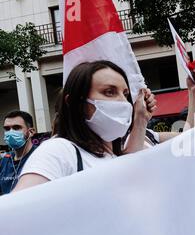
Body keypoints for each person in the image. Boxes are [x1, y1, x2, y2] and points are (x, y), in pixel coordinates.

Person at [13, 60, 156, 192]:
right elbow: (16, 212)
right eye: (109, 92)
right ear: (77, 103)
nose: (123, 101)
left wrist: (140, 119)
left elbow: (128, 167)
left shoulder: (110, 155)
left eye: (125, 94)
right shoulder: (59, 150)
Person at [0, 111, 36, 195]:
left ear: (31, 132)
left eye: (16, 128)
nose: (11, 132)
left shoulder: (39, 156)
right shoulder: (5, 160)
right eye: (7, 129)